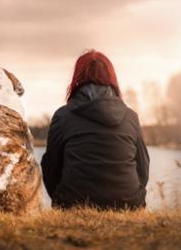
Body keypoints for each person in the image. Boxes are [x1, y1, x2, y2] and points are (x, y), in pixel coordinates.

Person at [41, 50, 150, 210]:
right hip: (128, 205)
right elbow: (143, 168)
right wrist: (130, 196)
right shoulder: (130, 117)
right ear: (111, 78)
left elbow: (50, 168)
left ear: (77, 78)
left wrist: (61, 199)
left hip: (73, 204)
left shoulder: (62, 116)